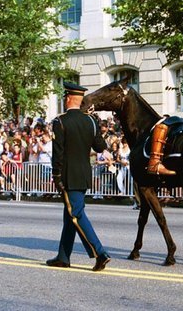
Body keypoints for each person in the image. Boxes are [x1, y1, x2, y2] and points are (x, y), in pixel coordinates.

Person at [47, 82, 111, 271]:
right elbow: (100, 146)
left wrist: (56, 175)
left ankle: (100, 253)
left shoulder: (60, 121)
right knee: (70, 216)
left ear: (68, 99)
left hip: (68, 175)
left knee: (76, 215)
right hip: (83, 174)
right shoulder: (90, 120)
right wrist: (97, 128)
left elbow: (57, 153)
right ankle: (63, 257)